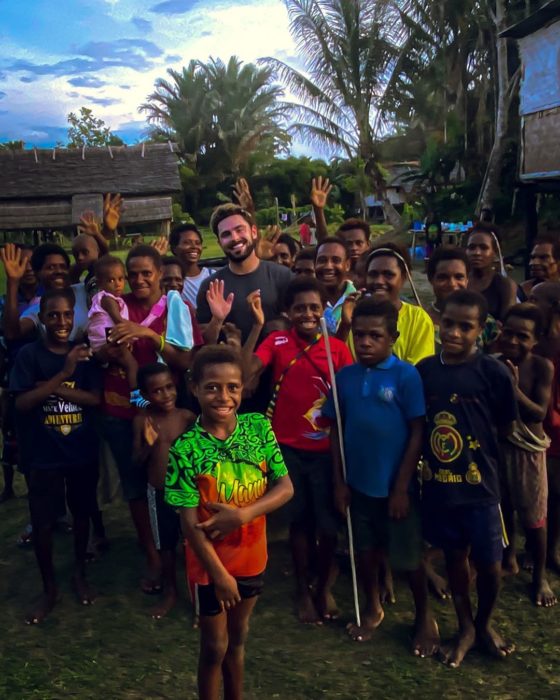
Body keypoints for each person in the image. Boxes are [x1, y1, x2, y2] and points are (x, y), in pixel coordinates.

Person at [165, 345, 293, 700]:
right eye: (212, 387)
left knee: (238, 640)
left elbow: (285, 487)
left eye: (232, 387)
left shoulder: (258, 428)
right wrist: (219, 576)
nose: (223, 396)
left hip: (252, 559)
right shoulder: (186, 449)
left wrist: (243, 515)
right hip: (211, 567)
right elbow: (189, 524)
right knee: (214, 647)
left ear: (243, 388)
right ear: (194, 388)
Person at [324, 298, 439, 655]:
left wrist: (402, 487)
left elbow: (417, 430)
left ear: (393, 337)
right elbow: (336, 432)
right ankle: (372, 606)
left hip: (394, 488)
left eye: (375, 336)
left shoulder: (406, 375)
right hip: (358, 487)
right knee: (365, 551)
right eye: (359, 335)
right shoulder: (345, 376)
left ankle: (424, 616)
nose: (365, 343)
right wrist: (340, 483)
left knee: (407, 557)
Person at [242, 277, 353, 623]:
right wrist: (257, 326)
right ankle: (303, 588)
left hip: (327, 453)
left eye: (314, 308)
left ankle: (324, 587)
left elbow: (347, 399)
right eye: (300, 308)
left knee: (328, 526)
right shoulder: (276, 341)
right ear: (288, 312)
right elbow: (245, 374)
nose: (307, 314)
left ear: (324, 312)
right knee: (299, 523)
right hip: (288, 451)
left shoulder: (338, 349)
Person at [417, 289, 517, 668]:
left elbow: (506, 426)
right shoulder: (425, 371)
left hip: (482, 487)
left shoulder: (494, 372)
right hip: (441, 487)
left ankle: (484, 622)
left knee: (490, 565)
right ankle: (465, 626)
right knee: (454, 558)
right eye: (449, 323)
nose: (454, 333)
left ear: (482, 330)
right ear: (438, 319)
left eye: (466, 327)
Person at [97, 245, 202, 594]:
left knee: (174, 482)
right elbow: (97, 347)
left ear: (159, 272)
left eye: (147, 272)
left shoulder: (177, 306)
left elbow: (186, 361)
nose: (139, 279)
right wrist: (105, 351)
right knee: (135, 484)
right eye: (133, 273)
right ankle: (154, 555)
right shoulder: (116, 303)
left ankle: (182, 548)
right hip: (121, 409)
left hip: (168, 413)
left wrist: (148, 335)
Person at [10, 288, 101, 624]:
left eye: (67, 315)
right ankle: (49, 587)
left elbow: (95, 400)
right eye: (53, 315)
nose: (61, 322)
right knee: (45, 523)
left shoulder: (85, 354)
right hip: (42, 454)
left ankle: (79, 573)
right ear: (42, 318)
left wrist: (47, 387)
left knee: (81, 515)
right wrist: (63, 375)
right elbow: (21, 403)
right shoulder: (29, 356)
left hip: (80, 451)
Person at [496, 303, 556, 607]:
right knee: (503, 505)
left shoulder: (542, 367)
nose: (513, 341)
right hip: (499, 447)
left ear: (536, 340)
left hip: (528, 452)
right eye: (508, 333)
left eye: (522, 336)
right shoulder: (493, 361)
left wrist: (514, 388)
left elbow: (539, 412)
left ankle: (539, 576)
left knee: (534, 517)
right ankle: (508, 558)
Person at [133, 364, 196, 619]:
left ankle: (198, 595)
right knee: (166, 546)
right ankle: (171, 591)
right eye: (157, 391)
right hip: (158, 493)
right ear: (146, 395)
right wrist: (149, 445)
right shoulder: (142, 421)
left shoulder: (187, 417)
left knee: (194, 543)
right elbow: (136, 460)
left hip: (188, 493)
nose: (166, 394)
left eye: (169, 387)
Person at [196, 204, 293, 343]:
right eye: (226, 234)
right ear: (219, 243)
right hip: (231, 362)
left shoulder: (283, 276)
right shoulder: (211, 287)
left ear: (253, 232)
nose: (234, 238)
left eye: (239, 230)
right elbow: (205, 344)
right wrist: (217, 320)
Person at [340, 243, 434, 366]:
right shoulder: (353, 315)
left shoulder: (418, 319)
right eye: (373, 274)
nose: (379, 281)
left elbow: (418, 370)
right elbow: (339, 363)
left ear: (405, 277)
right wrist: (345, 326)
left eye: (388, 275)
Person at [529, 282, 560, 573]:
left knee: (555, 494)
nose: (529, 302)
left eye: (535, 300)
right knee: (538, 494)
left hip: (557, 430)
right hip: (533, 431)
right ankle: (530, 549)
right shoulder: (530, 343)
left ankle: (550, 550)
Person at [1, 242, 89, 343]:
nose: (58, 271)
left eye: (62, 266)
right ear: (38, 272)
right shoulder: (39, 309)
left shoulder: (84, 289)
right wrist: (13, 281)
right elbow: (12, 334)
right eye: (50, 267)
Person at [426, 246, 499, 351]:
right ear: (431, 279)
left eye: (459, 277)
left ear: (467, 279)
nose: (452, 284)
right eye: (443, 277)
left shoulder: (485, 321)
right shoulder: (421, 321)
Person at [466, 226, 516, 322]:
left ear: (495, 252)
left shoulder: (505, 285)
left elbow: (509, 322)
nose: (476, 253)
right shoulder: (458, 280)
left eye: (484, 248)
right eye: (472, 247)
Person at [87, 255, 128, 352]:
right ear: (100, 283)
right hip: (107, 340)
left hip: (102, 340)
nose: (117, 284)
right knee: (131, 364)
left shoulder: (103, 298)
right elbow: (118, 321)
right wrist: (133, 334)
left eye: (120, 279)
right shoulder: (108, 300)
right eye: (111, 280)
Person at [315, 237, 356, 335]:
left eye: (336, 260)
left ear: (347, 265)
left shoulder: (359, 301)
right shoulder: (305, 303)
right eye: (322, 260)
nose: (328, 266)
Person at [169, 223, 215, 309]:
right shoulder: (172, 281)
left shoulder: (213, 276)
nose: (194, 247)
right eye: (187, 243)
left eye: (197, 243)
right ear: (174, 249)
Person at [336, 219, 371, 283]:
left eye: (359, 243)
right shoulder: (335, 276)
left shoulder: (377, 274)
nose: (354, 248)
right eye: (348, 243)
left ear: (368, 244)